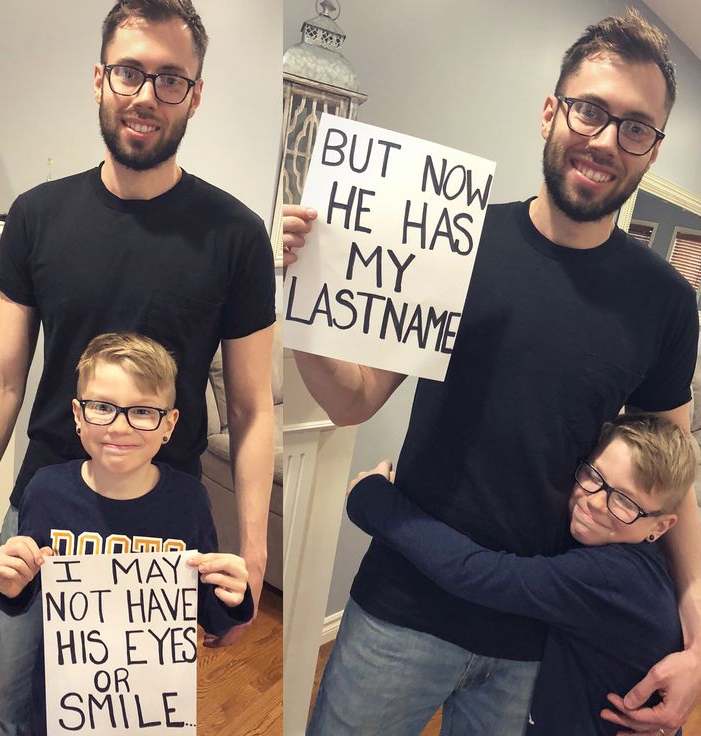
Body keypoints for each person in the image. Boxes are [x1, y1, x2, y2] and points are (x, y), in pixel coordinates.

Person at [284, 10, 701, 736]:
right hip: (402, 609)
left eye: (635, 128)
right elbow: (352, 401)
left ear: (651, 148)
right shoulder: (454, 240)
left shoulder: (667, 302)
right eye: (590, 110)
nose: (606, 140)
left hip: (538, 635)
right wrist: (299, 302)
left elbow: (674, 477)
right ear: (552, 110)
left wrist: (698, 627)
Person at [0, 1, 275, 733]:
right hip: (45, 506)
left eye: (171, 79)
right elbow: (4, 377)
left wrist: (253, 555)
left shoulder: (237, 236)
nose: (145, 95)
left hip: (163, 516)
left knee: (125, 719)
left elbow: (256, 407)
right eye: (130, 71)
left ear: (196, 94)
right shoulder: (37, 216)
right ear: (99, 78)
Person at [345, 413, 694, 736]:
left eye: (625, 502)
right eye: (594, 476)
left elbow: (477, 574)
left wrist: (373, 500)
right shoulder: (644, 567)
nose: (595, 502)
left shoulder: (611, 575)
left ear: (661, 526)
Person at [0, 332, 254, 736]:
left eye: (143, 411)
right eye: (102, 407)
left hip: (150, 713)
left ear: (169, 424)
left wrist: (234, 597)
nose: (120, 426)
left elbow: (207, 614)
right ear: (78, 415)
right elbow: (24, 598)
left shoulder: (188, 502)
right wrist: (9, 585)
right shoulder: (45, 492)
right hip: (64, 708)